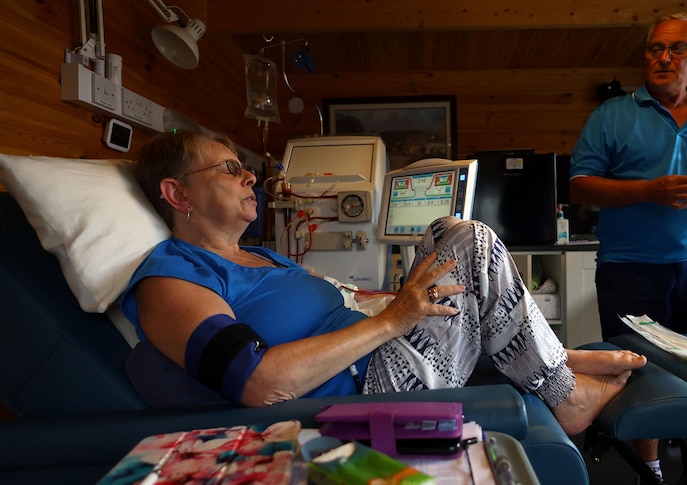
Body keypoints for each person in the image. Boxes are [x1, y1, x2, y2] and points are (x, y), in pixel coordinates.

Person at [120, 130, 647, 437]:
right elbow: (257, 382)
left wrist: (402, 301)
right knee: (466, 237)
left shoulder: (260, 256)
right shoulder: (174, 277)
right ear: (178, 194)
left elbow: (346, 306)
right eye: (230, 168)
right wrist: (396, 318)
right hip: (363, 393)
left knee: (443, 246)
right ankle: (564, 389)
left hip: (384, 351)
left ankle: (553, 357)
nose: (250, 177)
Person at [569, 11, 687, 485]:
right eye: (655, 48)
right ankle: (648, 471)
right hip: (631, 270)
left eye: (677, 48)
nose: (664, 58)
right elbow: (580, 186)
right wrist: (648, 190)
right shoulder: (611, 116)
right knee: (639, 378)